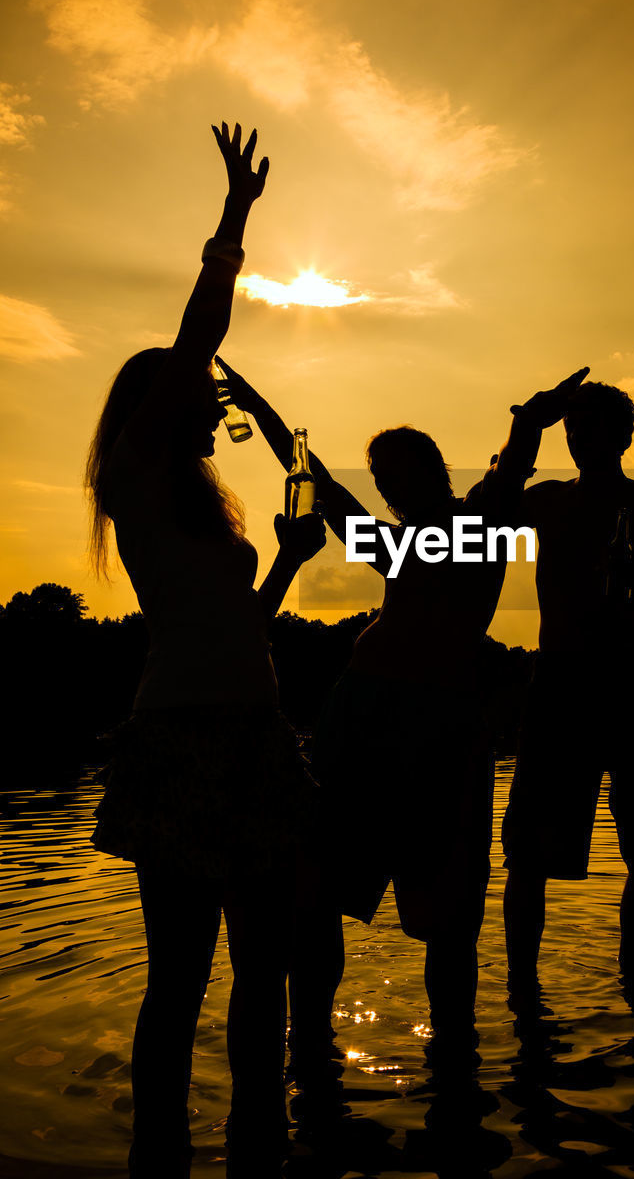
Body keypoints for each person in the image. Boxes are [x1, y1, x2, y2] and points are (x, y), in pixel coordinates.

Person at [213, 361, 588, 1055]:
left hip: (445, 726)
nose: (385, 486)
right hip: (362, 713)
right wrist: (258, 405)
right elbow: (315, 477)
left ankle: (453, 1052)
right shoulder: (392, 542)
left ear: (434, 471)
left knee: (450, 912)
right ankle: (312, 1044)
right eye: (379, 479)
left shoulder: (475, 525)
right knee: (317, 888)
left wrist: (527, 425)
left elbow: (509, 476)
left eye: (395, 472)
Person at [84, 124, 326, 1177]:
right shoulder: (135, 473)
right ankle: (158, 1153)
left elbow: (239, 627)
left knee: (262, 974)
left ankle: (257, 1144)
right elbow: (197, 334)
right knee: (180, 978)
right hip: (180, 739)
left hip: (253, 732)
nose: (216, 392)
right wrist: (236, 218)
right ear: (160, 404)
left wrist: (285, 563)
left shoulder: (205, 504)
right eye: (200, 385)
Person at [499, 375, 634, 1004]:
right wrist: (527, 430)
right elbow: (477, 516)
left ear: (626, 434)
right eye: (571, 430)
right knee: (526, 853)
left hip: (631, 682)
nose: (578, 440)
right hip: (559, 685)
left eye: (591, 428)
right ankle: (522, 986)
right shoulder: (546, 501)